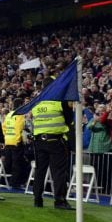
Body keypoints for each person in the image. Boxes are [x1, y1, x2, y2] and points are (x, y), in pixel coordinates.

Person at [27, 78, 75, 209]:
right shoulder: (61, 102)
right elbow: (69, 120)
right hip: (56, 141)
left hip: (39, 141)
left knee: (40, 171)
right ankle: (59, 201)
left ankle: (37, 200)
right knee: (58, 172)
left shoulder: (36, 104)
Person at [2, 98, 28, 189]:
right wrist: (17, 141)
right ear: (21, 105)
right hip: (15, 142)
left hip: (8, 140)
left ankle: (5, 181)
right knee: (16, 163)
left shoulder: (9, 114)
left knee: (8, 162)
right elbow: (18, 129)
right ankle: (15, 183)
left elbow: (4, 127)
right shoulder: (20, 115)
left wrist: (6, 137)